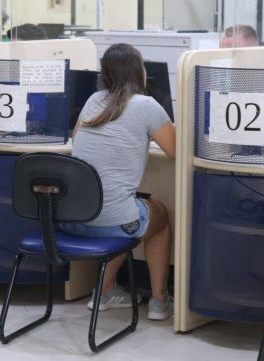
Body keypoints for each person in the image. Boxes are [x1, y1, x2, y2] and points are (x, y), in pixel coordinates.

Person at [58, 43, 177, 321]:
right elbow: (175, 151)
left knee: (121, 208)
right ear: (140, 72)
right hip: (110, 224)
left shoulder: (93, 100)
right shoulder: (147, 105)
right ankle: (159, 301)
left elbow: (77, 140)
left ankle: (106, 290)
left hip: (72, 218)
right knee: (156, 215)